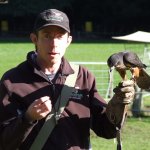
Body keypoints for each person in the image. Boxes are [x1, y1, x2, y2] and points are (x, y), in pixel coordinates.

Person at [0, 9, 135, 150]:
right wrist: (27, 118)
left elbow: (107, 130)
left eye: (59, 37)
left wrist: (118, 105)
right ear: (34, 39)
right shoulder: (11, 81)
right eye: (47, 36)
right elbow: (4, 143)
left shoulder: (83, 77)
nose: (53, 43)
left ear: (68, 41)